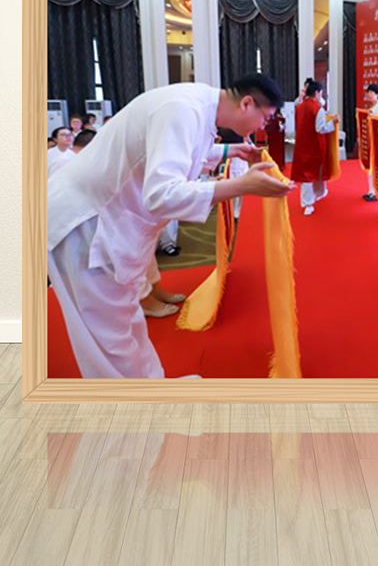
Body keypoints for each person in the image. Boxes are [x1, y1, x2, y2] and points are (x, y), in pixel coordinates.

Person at [47, 74, 295, 379]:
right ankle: (129, 404)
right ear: (246, 104)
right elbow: (162, 194)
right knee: (109, 338)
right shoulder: (183, 109)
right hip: (85, 223)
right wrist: (241, 185)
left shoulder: (197, 103)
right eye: (265, 118)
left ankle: (153, 387)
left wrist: (230, 151)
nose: (263, 126)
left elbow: (181, 151)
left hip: (109, 217)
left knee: (127, 320)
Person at [291, 80, 338, 216]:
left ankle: (320, 192)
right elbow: (320, 128)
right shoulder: (318, 109)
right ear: (317, 93)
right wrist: (333, 122)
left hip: (302, 144)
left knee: (310, 172)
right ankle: (308, 203)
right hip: (315, 145)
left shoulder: (299, 107)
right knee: (310, 173)